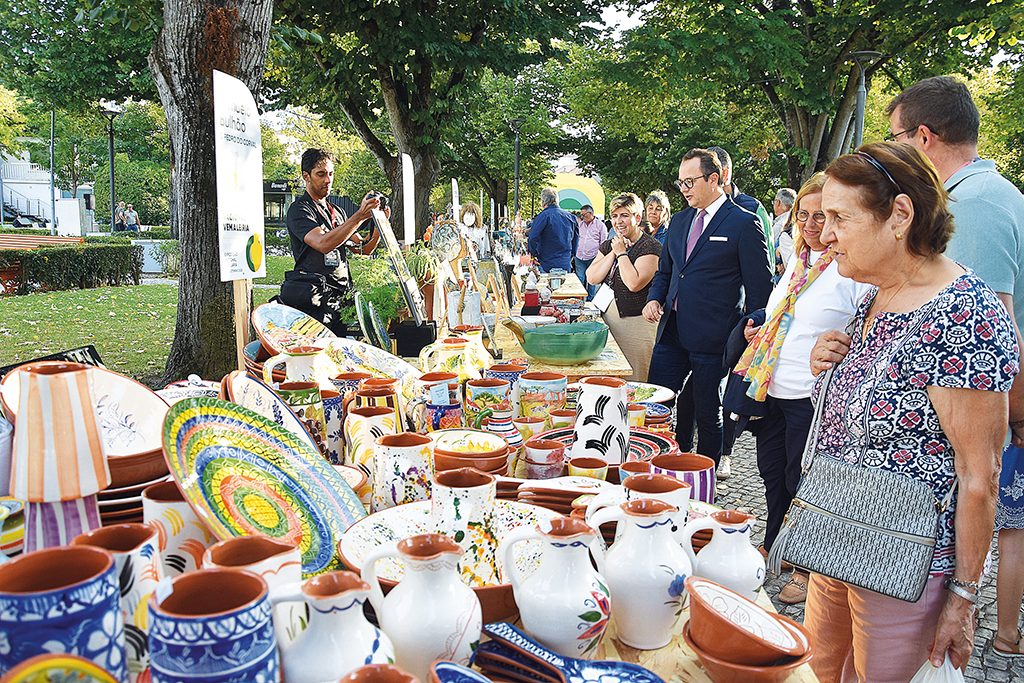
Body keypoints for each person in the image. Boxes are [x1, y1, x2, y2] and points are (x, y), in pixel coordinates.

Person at [799, 142, 1018, 680]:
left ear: (899, 214)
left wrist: (963, 600)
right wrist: (825, 367)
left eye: (838, 219)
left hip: (903, 567)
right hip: (836, 538)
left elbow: (979, 476)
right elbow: (869, 422)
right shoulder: (874, 296)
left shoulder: (963, 313)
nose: (823, 235)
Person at [886, 75, 1024, 659]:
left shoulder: (973, 206)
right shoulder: (992, 195)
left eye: (895, 138)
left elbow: (992, 332)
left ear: (924, 136)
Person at [733, 173, 872, 605]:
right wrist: (760, 322)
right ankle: (776, 542)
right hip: (773, 388)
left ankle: (807, 569)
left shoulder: (851, 271)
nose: (812, 225)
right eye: (805, 215)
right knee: (773, 475)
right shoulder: (798, 261)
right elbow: (784, 315)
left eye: (824, 216)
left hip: (812, 398)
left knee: (804, 482)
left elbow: (863, 332)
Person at [643, 148, 772, 463]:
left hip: (713, 337)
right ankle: (656, 466)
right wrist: (654, 298)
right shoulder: (680, 221)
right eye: (681, 183)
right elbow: (667, 271)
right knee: (653, 404)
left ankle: (704, 477)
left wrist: (751, 330)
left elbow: (761, 288)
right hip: (671, 332)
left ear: (715, 179)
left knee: (707, 410)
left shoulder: (744, 223)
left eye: (690, 181)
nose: (684, 189)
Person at [280, 148, 382, 335]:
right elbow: (323, 243)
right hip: (315, 300)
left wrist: (379, 222)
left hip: (341, 298)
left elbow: (363, 248)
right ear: (306, 176)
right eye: (321, 174)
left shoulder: (337, 211)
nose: (328, 180)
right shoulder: (300, 210)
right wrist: (359, 216)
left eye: (330, 174)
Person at [586, 193, 662, 381]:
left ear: (637, 218)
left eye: (624, 215)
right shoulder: (610, 245)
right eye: (615, 216)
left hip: (636, 322)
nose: (618, 221)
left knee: (635, 378)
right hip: (608, 319)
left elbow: (634, 283)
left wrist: (621, 253)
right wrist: (613, 251)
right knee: (611, 377)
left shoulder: (650, 246)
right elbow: (592, 277)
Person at [708, 146, 774, 267]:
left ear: (725, 173)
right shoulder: (698, 212)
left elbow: (768, 259)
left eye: (708, 174)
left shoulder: (753, 208)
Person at [528, 188, 577, 273]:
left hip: (546, 262)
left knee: (546, 285)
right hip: (564, 261)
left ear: (543, 201)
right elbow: (575, 241)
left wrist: (533, 254)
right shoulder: (571, 217)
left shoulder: (542, 216)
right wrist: (570, 256)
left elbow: (532, 237)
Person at [573, 204, 606, 300]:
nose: (582, 217)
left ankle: (590, 300)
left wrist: (601, 258)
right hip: (579, 256)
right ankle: (579, 299)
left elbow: (603, 242)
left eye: (584, 215)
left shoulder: (600, 226)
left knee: (592, 280)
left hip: (594, 257)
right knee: (580, 278)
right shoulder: (580, 224)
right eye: (581, 215)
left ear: (591, 213)